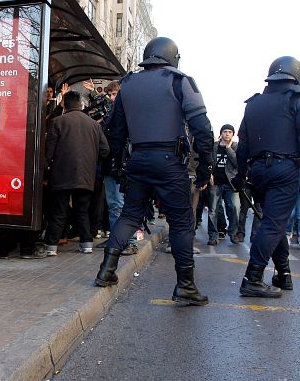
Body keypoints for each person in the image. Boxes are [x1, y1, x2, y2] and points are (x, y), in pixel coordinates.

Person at [95, 37, 214, 306]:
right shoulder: (180, 81)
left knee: (130, 214)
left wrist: (114, 161)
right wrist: (205, 165)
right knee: (182, 222)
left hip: (138, 159)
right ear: (172, 57)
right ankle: (185, 285)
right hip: (169, 161)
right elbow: (201, 127)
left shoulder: (128, 84)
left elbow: (116, 129)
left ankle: (106, 270)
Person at [233, 56, 300, 298]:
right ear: (297, 76)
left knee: (274, 222)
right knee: (273, 224)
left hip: (258, 170)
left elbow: (243, 145)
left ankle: (284, 274)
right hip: (285, 169)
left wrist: (241, 175)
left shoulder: (254, 103)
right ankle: (252, 277)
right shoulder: (298, 99)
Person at [34, 90, 109, 257]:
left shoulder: (58, 122)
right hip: (86, 175)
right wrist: (92, 162)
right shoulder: (94, 125)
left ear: (65, 105)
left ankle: (51, 246)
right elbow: (105, 150)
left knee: (59, 211)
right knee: (82, 210)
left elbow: (49, 152)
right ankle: (86, 243)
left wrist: (46, 170)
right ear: (81, 105)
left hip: (62, 175)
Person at [207, 124, 240, 245]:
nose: (227, 134)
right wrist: (209, 173)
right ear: (221, 133)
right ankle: (213, 236)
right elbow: (208, 160)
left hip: (231, 183)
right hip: (215, 182)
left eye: (230, 132)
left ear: (233, 134)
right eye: (225, 131)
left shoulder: (236, 146)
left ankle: (233, 233)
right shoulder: (214, 146)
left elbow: (237, 163)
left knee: (235, 208)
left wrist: (228, 148)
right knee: (213, 210)